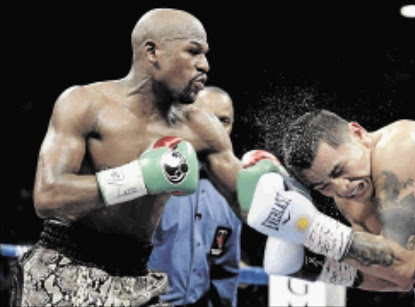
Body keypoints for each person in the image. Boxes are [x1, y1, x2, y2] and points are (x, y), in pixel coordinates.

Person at [10, 9, 242, 306]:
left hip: (136, 275)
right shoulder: (85, 104)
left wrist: (280, 195)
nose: (204, 64)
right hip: (66, 266)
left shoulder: (201, 127)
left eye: (205, 54)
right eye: (193, 51)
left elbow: (244, 197)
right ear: (153, 52)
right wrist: (138, 179)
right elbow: (48, 196)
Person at [242, 109, 415, 306]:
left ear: (358, 134)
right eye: (324, 186)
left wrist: (308, 227)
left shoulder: (403, 145)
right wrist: (314, 266)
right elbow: (394, 279)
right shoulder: (347, 196)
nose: (341, 187)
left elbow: (400, 264)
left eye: (340, 170)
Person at [148, 86, 242, 307]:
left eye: (224, 121)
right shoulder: (154, 171)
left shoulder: (232, 187)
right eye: (207, 119)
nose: (215, 129)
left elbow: (225, 271)